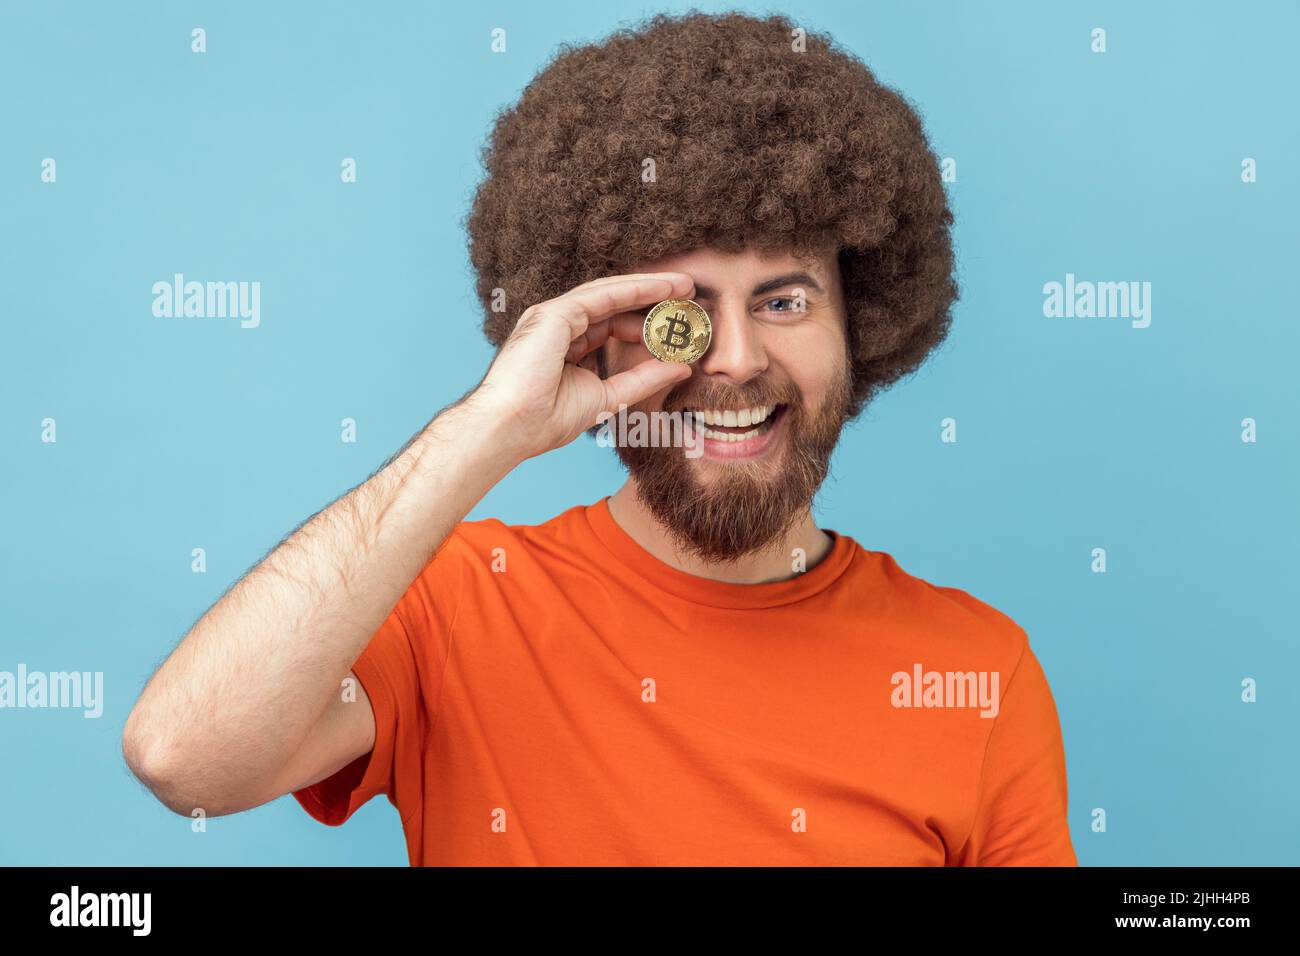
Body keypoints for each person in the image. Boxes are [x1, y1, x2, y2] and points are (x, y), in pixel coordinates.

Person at [123, 11, 1076, 866]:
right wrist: (487, 429)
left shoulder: (973, 671)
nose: (735, 359)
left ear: (860, 323)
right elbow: (183, 758)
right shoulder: (459, 604)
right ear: (592, 327)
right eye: (679, 310)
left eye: (784, 300)